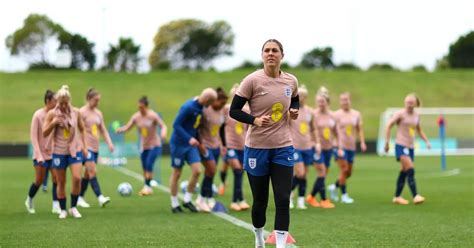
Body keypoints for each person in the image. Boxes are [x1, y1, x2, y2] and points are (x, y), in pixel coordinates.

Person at [230, 39, 299, 248]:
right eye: (267, 50)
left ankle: (280, 244)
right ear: (262, 56)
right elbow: (233, 110)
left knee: (283, 199)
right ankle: (259, 237)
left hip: (283, 147)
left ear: (282, 56)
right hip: (256, 149)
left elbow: (295, 99)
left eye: (275, 50)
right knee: (260, 201)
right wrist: (254, 120)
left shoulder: (291, 80)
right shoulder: (251, 80)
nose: (271, 54)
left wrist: (294, 111)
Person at [43, 85, 88, 219]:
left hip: (74, 150)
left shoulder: (76, 112)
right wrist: (54, 123)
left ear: (69, 101)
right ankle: (63, 209)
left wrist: (85, 146)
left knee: (77, 178)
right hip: (59, 152)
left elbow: (82, 129)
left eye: (65, 103)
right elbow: (44, 132)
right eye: (60, 103)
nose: (63, 106)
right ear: (57, 102)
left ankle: (73, 207)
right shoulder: (52, 114)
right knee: (61, 182)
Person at [169, 88, 217, 213]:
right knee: (177, 173)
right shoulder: (188, 107)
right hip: (179, 144)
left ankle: (187, 200)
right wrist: (189, 138)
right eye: (211, 102)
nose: (211, 105)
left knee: (197, 171)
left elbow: (194, 127)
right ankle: (174, 204)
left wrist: (199, 143)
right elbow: (176, 125)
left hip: (191, 145)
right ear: (207, 99)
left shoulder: (200, 107)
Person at [384, 93, 431, 205]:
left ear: (415, 103)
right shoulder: (399, 114)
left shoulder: (416, 115)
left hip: (410, 147)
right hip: (401, 145)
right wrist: (386, 143)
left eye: (411, 102)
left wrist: (427, 141)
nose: (409, 104)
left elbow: (419, 130)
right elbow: (388, 126)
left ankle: (397, 197)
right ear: (404, 102)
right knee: (410, 168)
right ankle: (416, 195)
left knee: (404, 171)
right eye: (407, 102)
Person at [116, 96, 167, 196]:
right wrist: (121, 129)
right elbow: (128, 127)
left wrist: (163, 133)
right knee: (144, 167)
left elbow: (163, 125)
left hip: (154, 144)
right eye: (139, 107)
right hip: (144, 146)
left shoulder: (153, 115)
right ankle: (147, 186)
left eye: (142, 107)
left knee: (149, 164)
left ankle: (147, 187)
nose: (140, 109)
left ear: (146, 106)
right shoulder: (136, 117)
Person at [77, 88, 114, 208]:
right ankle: (100, 197)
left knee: (87, 174)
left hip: (95, 147)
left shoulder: (98, 113)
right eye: (95, 100)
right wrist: (82, 146)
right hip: (86, 147)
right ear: (89, 99)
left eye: (99, 100)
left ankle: (80, 197)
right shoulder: (81, 112)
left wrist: (109, 143)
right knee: (93, 171)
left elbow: (102, 129)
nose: (98, 102)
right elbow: (78, 130)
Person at [25, 89, 60, 214]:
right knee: (39, 180)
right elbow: (34, 137)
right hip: (40, 154)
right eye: (55, 101)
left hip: (52, 153)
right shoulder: (38, 115)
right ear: (48, 101)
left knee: (56, 178)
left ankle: (56, 205)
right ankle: (29, 199)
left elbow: (54, 134)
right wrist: (38, 154)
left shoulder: (56, 115)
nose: (57, 103)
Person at [327, 92, 367, 204]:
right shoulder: (336, 115)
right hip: (339, 146)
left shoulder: (356, 114)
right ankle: (344, 195)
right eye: (342, 100)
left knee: (348, 173)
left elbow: (359, 129)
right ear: (340, 102)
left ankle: (334, 187)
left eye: (346, 100)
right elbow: (330, 130)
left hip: (351, 146)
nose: (345, 102)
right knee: (344, 169)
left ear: (350, 101)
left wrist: (362, 142)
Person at [195, 87, 228, 212]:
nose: (222, 106)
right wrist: (200, 143)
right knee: (211, 170)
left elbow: (222, 129)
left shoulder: (222, 111)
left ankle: (206, 197)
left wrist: (223, 145)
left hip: (216, 146)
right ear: (214, 100)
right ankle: (202, 198)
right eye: (221, 103)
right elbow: (196, 127)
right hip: (205, 146)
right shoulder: (205, 110)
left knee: (211, 172)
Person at [306, 86, 336, 209]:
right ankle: (323, 199)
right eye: (318, 102)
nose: (320, 104)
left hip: (329, 148)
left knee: (323, 174)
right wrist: (313, 143)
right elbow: (308, 129)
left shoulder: (332, 115)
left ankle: (312, 197)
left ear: (327, 102)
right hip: (317, 148)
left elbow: (335, 130)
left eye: (323, 102)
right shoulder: (313, 114)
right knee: (322, 172)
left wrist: (336, 142)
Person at [223, 84, 250, 211]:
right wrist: (222, 144)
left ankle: (240, 200)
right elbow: (221, 126)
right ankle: (236, 200)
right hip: (231, 145)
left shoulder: (247, 109)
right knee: (237, 170)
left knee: (240, 173)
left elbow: (249, 128)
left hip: (243, 145)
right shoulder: (226, 109)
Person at [288, 85, 314, 210]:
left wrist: (317, 142)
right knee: (300, 172)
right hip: (295, 146)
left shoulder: (310, 112)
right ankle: (289, 196)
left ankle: (301, 200)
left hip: (307, 146)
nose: (302, 98)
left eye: (304, 96)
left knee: (304, 175)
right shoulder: (292, 110)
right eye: (300, 96)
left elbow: (313, 129)